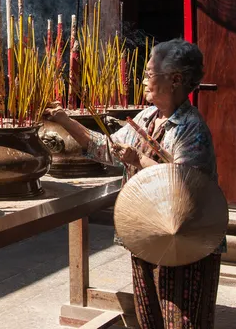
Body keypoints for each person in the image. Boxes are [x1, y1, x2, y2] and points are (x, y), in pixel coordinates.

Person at [45, 38, 225, 328]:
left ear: (175, 80)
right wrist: (64, 120)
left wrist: (139, 160)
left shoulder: (192, 128)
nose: (143, 80)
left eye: (150, 74)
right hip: (147, 233)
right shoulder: (148, 116)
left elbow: (182, 186)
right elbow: (106, 149)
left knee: (182, 320)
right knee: (149, 317)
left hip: (186, 241)